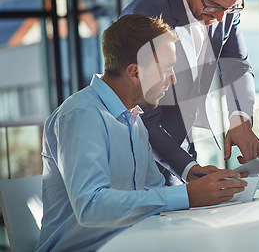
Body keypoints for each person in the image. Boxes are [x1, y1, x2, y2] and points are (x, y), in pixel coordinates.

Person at [35, 14, 247, 252]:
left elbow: (154, 192)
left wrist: (200, 186)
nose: (173, 79)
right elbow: (90, 207)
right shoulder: (81, 115)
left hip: (132, 243)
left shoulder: (133, 119)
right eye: (167, 69)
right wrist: (187, 195)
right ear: (135, 72)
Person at [121, 0, 259, 185]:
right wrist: (190, 171)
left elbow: (236, 64)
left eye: (231, 8)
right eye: (214, 6)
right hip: (141, 164)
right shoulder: (142, 20)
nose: (221, 18)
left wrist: (239, 119)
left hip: (184, 146)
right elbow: (144, 120)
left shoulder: (224, 8)